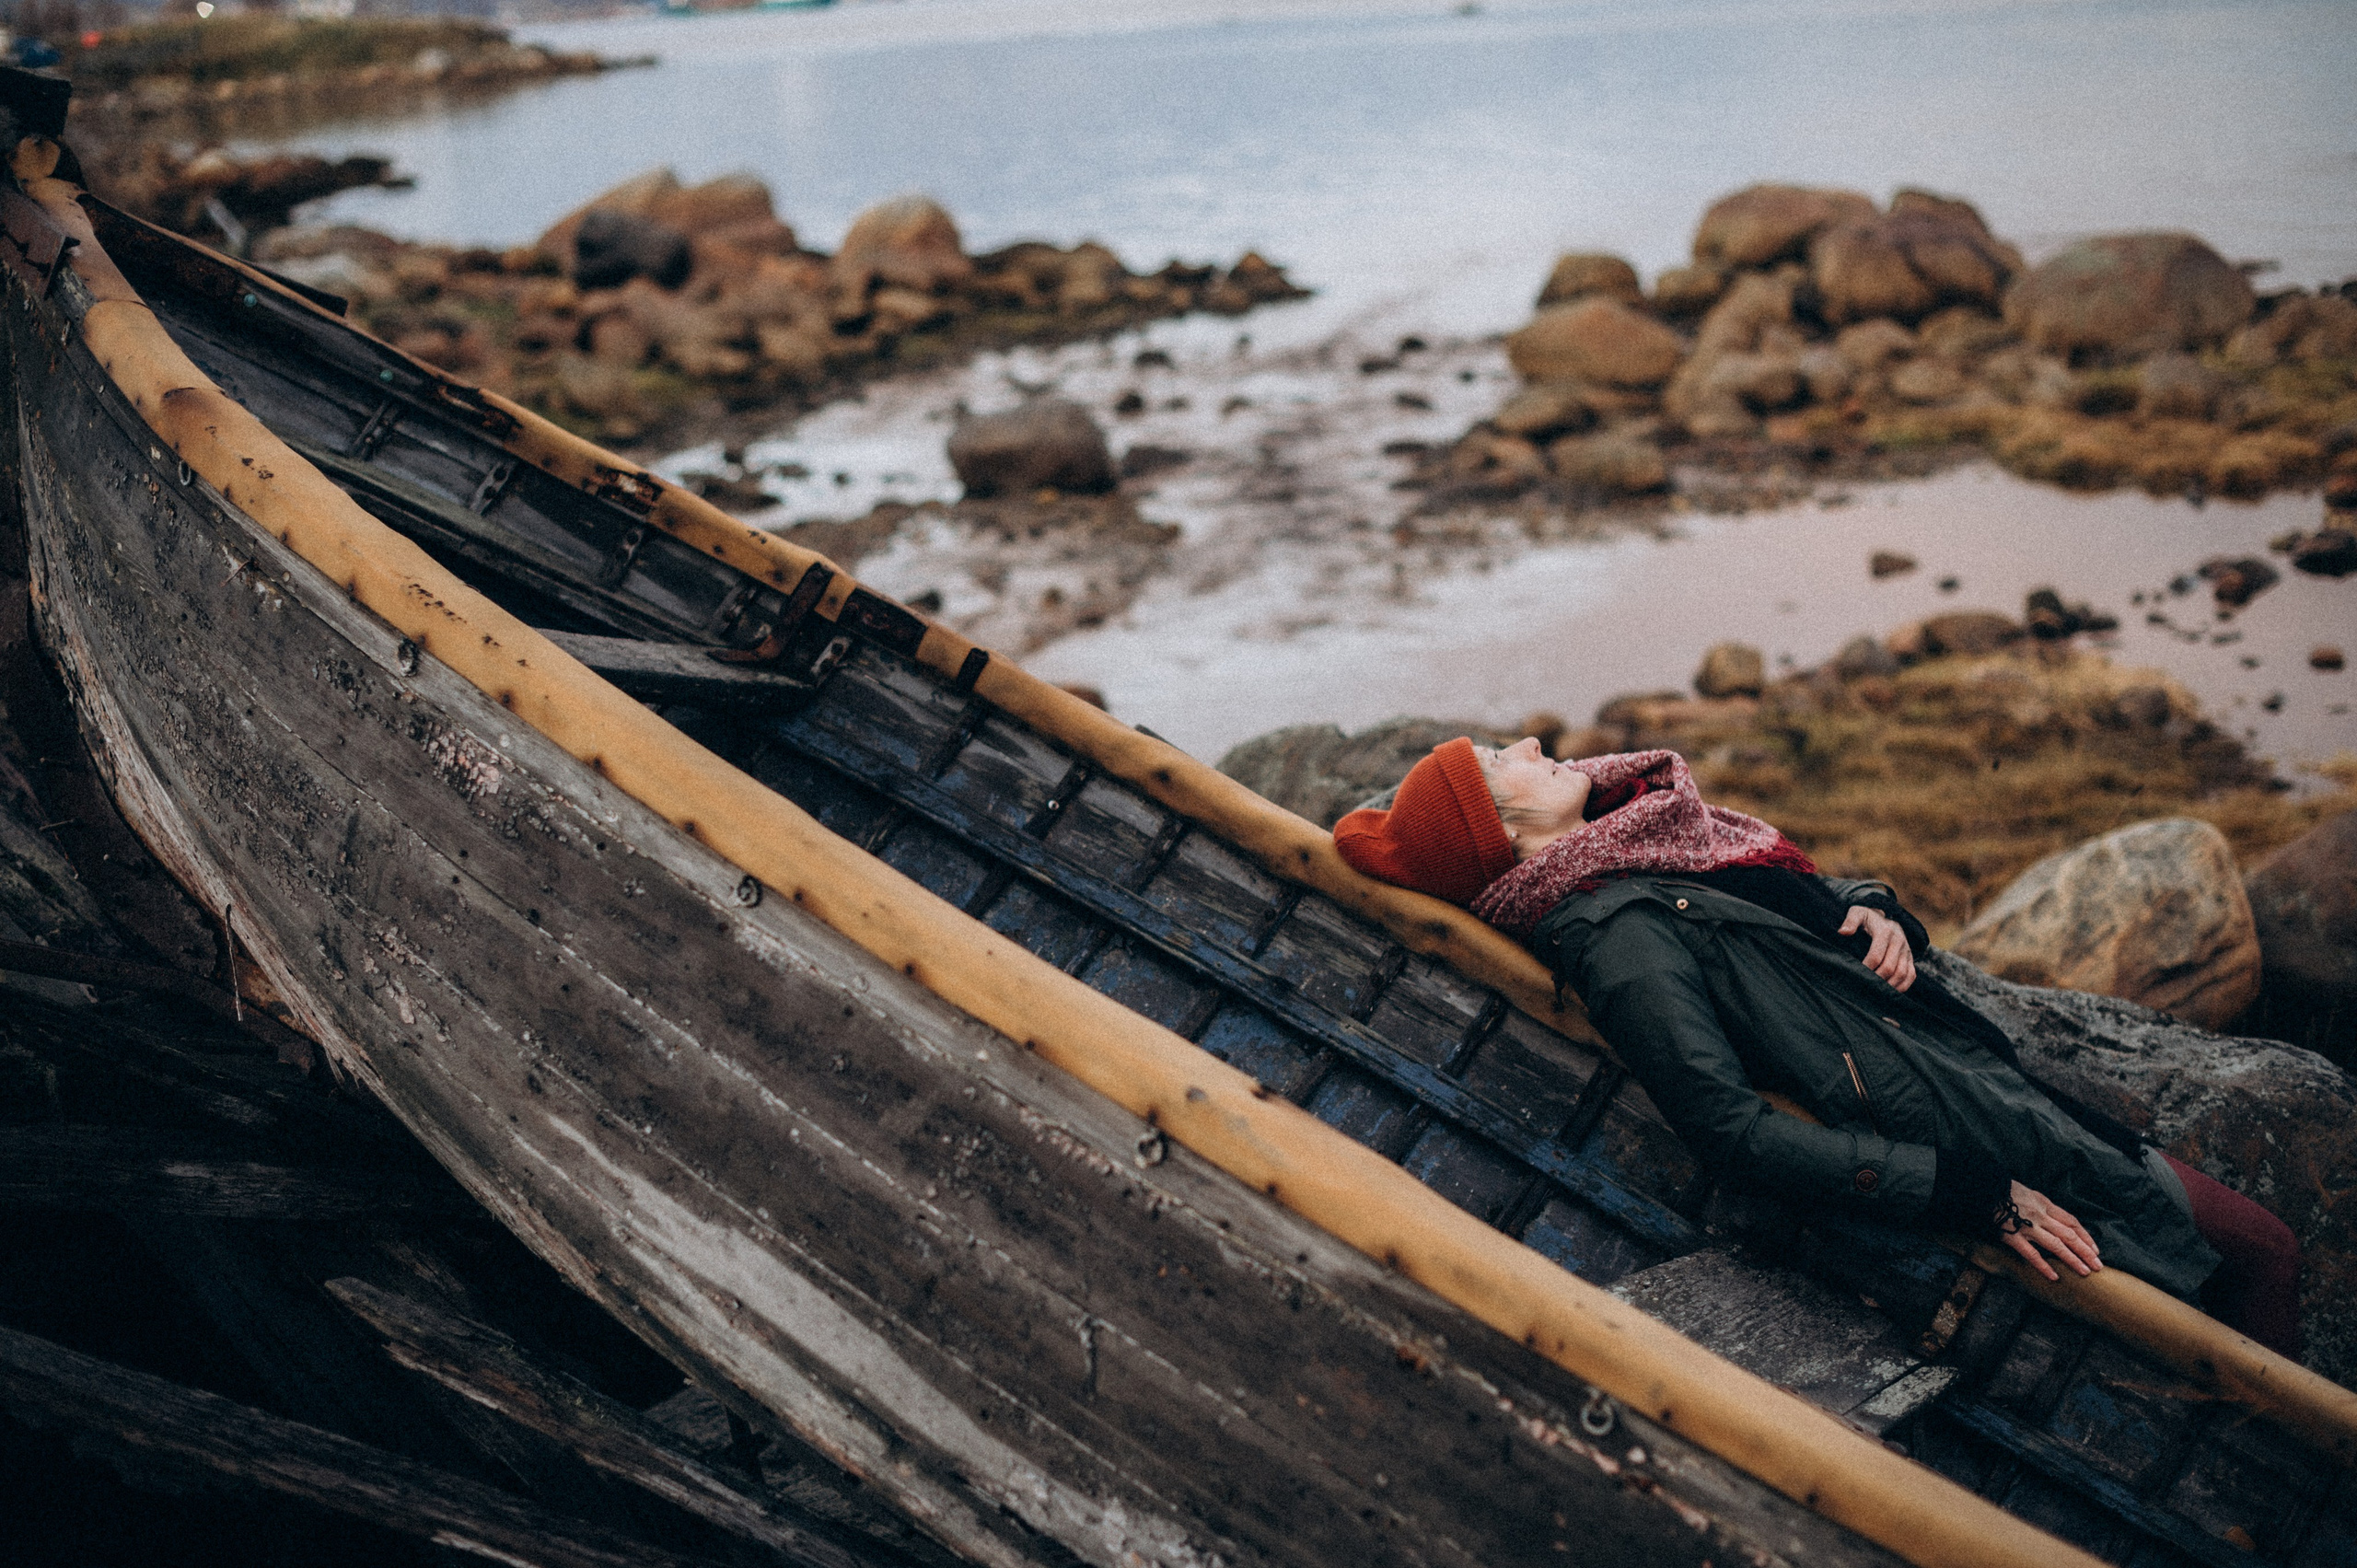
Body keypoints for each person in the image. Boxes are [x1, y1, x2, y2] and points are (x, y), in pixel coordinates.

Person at [1332, 736, 2303, 1358]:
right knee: (2260, 1251)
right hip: (1956, 1122)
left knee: (2250, 1256)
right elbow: (1731, 1131)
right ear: (1503, 834)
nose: (1535, 740)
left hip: (1962, 1063)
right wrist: (1970, 1191)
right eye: (1504, 757)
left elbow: (1797, 913)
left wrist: (1874, 910)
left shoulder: (1641, 848)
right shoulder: (1610, 929)